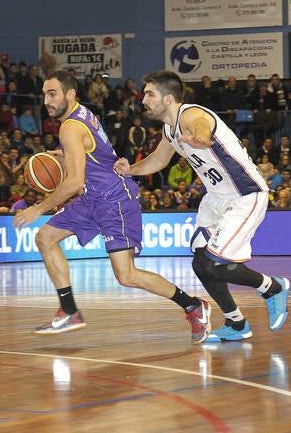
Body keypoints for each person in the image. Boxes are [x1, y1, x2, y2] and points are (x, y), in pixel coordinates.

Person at [13, 71, 210, 342]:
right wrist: (71, 154)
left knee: (126, 275)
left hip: (114, 200)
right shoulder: (80, 114)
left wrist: (37, 208)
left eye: (52, 94)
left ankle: (193, 306)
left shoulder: (70, 127)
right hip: (93, 197)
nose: (46, 100)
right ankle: (69, 310)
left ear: (70, 94)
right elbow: (94, 152)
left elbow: (73, 182)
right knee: (45, 237)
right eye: (44, 94)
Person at [114, 71, 290, 343]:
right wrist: (131, 170)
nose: (143, 99)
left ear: (168, 98)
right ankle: (236, 323)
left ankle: (272, 287)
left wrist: (199, 137)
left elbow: (201, 126)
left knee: (216, 264)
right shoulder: (169, 129)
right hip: (215, 198)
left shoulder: (190, 114)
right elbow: (159, 160)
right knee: (200, 263)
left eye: (149, 94)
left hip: (245, 195)